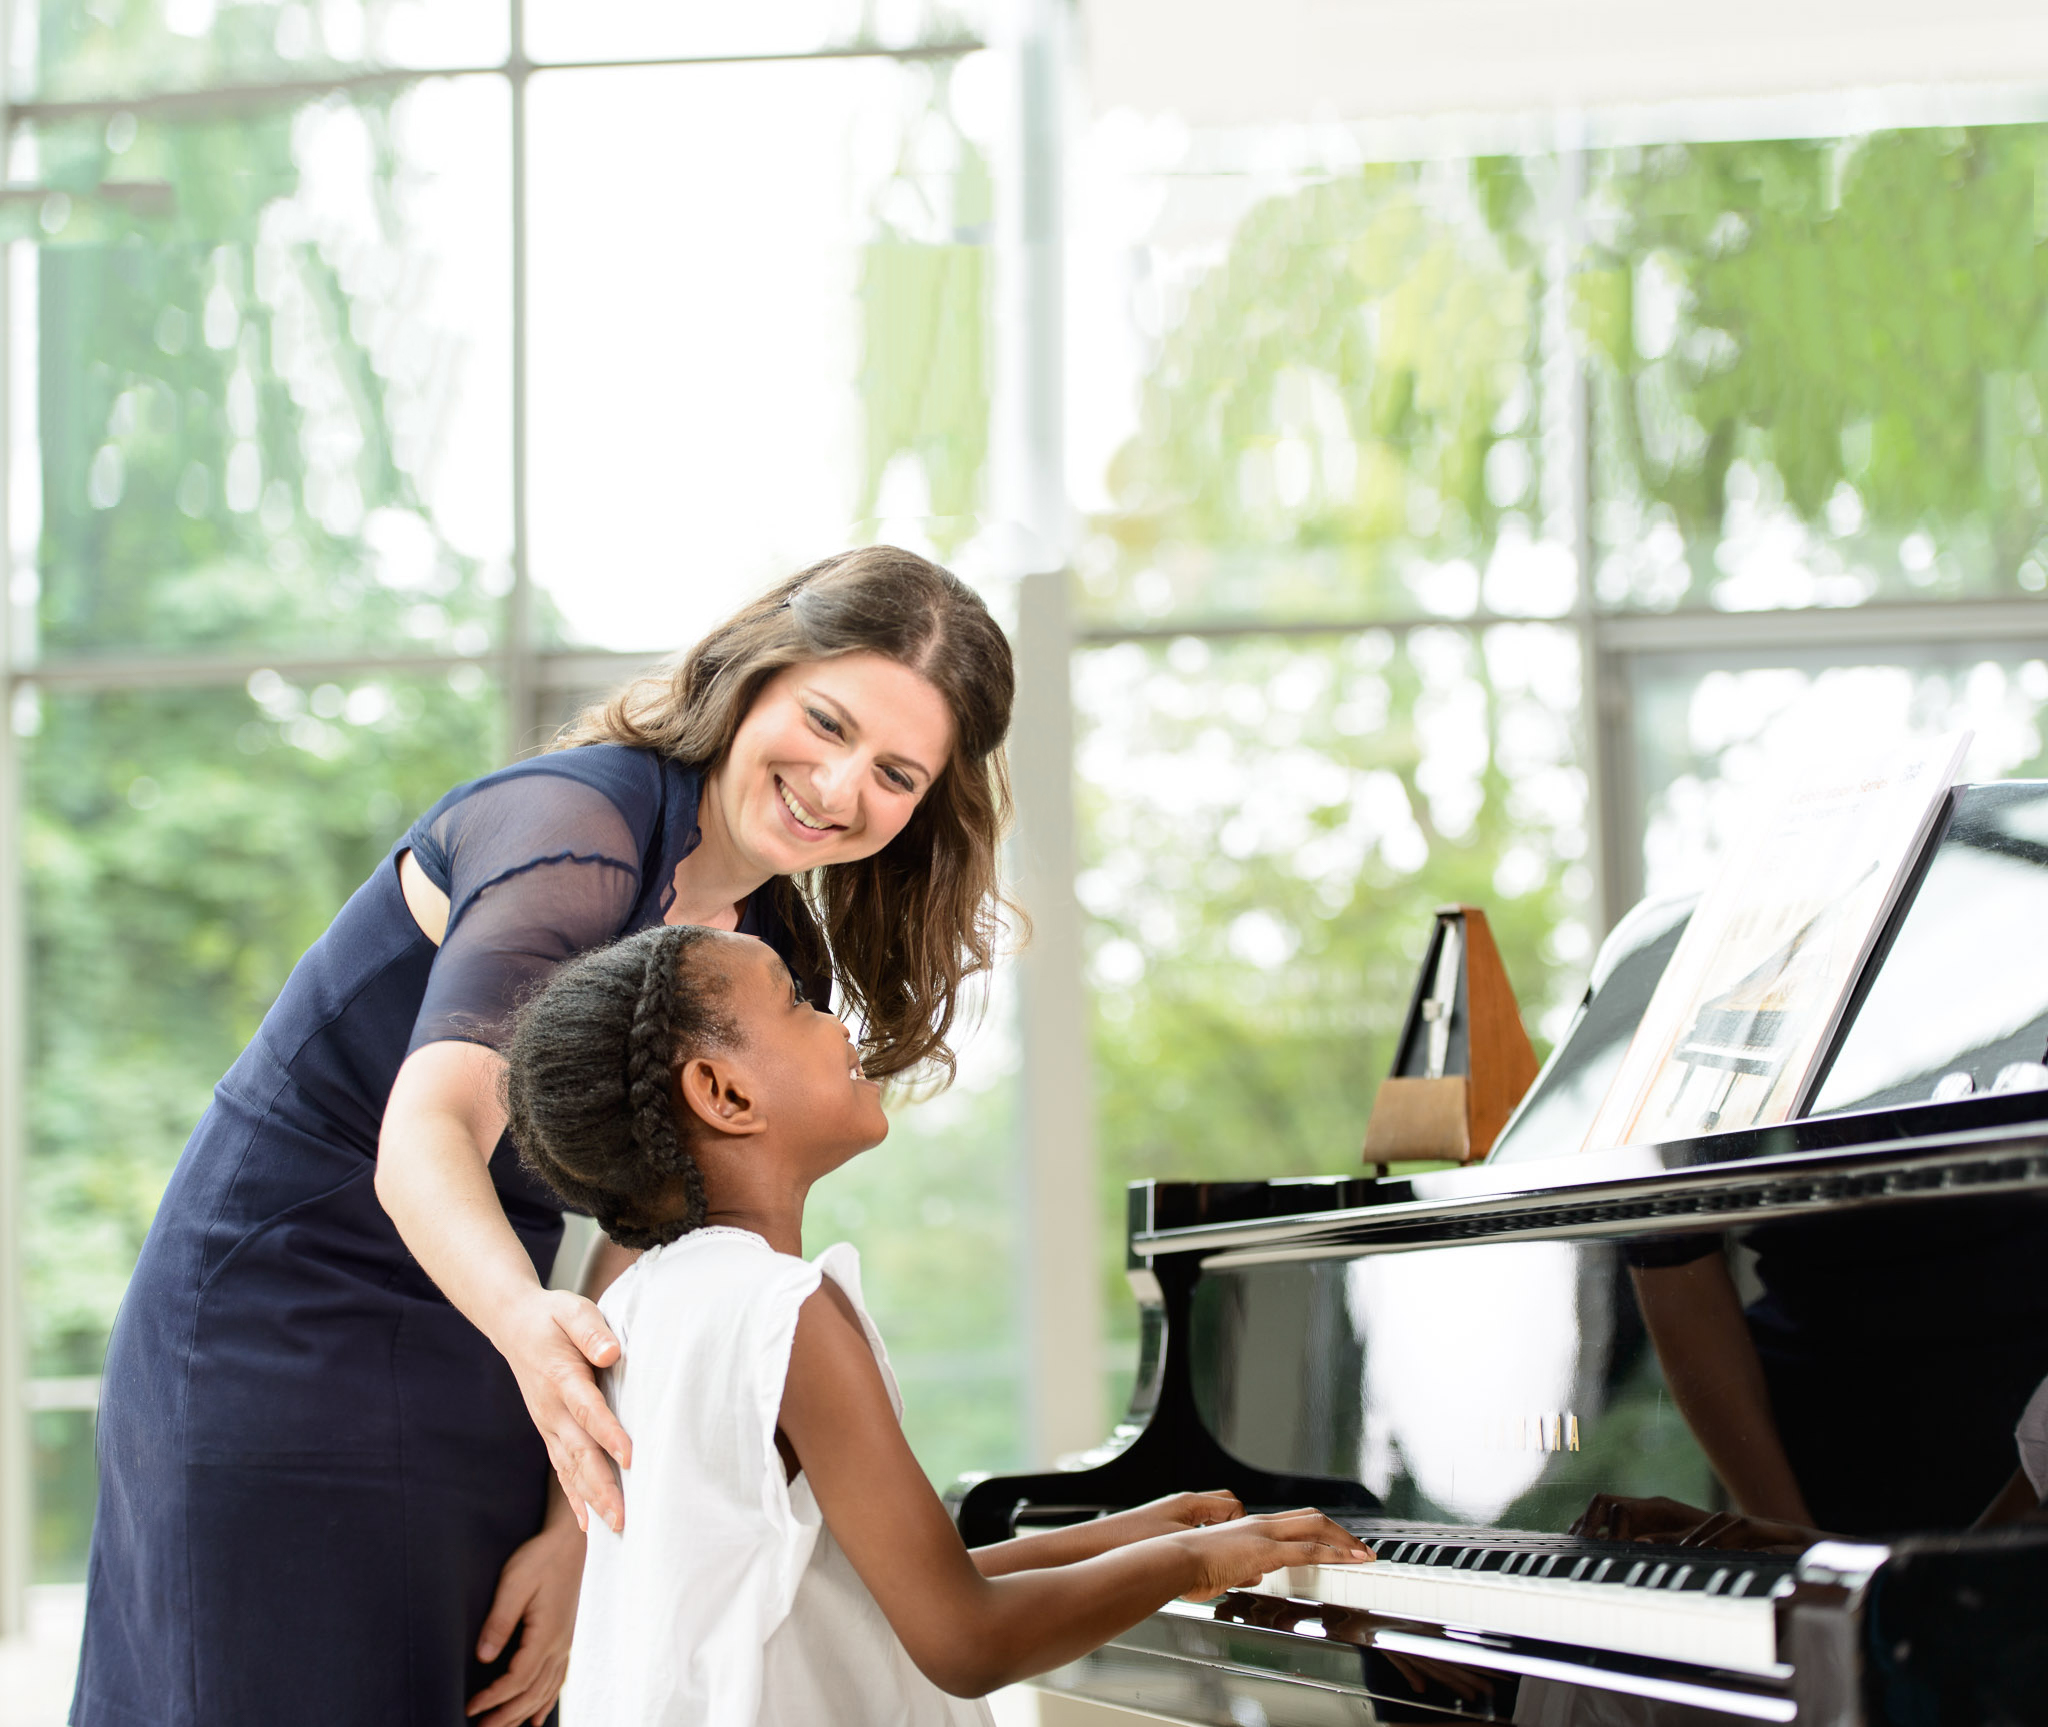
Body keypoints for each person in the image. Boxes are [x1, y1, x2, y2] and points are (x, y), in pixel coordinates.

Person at [73, 548, 1019, 1727]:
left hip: (501, 1336)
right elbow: (426, 1132)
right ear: (753, 673)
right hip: (288, 1323)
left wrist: (580, 1527)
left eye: (894, 773)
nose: (835, 787)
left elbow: (662, 1225)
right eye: (824, 722)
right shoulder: (569, 824)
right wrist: (530, 1329)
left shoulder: (769, 943)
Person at [502, 923, 1372, 1724]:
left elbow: (877, 1590)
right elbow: (964, 1639)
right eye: (797, 1003)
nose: (836, 1023)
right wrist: (1197, 1562)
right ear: (724, 1092)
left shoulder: (645, 1304)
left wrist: (1130, 1530)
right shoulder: (779, 1311)